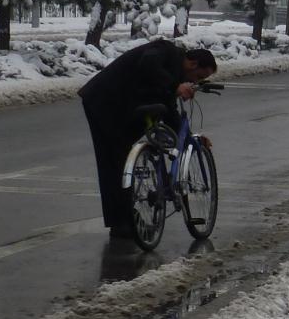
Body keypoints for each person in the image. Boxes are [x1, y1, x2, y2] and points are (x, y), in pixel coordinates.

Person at [79, 40, 219, 239]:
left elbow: (169, 109)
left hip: (122, 105)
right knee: (113, 162)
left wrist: (188, 139)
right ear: (193, 64)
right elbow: (148, 64)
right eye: (198, 77)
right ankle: (122, 224)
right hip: (103, 100)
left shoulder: (174, 74)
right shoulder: (166, 50)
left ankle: (125, 220)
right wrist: (175, 86)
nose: (194, 83)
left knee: (121, 158)